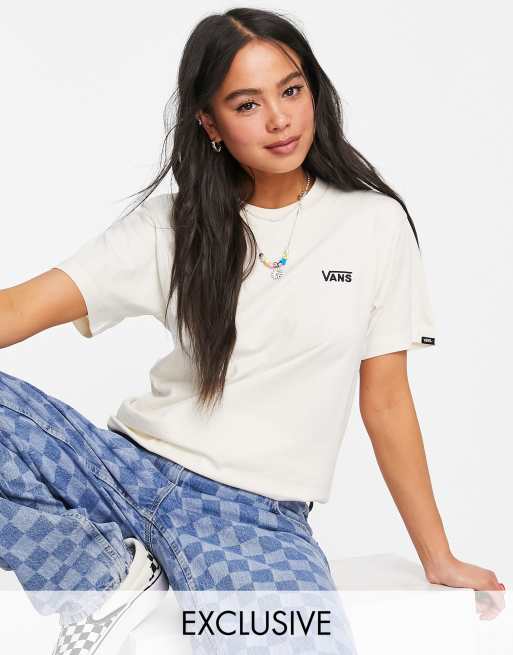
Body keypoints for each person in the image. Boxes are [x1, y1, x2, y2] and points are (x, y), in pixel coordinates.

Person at [0, 7, 504, 655]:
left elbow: (385, 401)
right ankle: (98, 575)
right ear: (209, 123)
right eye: (246, 104)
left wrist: (437, 555)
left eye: (290, 91)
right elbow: (18, 309)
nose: (278, 119)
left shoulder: (374, 225)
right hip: (122, 472)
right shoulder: (171, 226)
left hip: (251, 524)